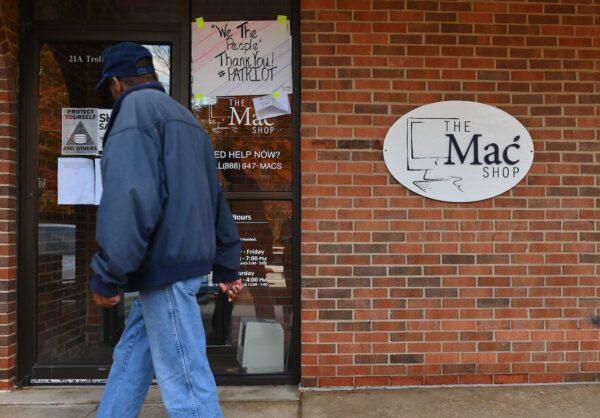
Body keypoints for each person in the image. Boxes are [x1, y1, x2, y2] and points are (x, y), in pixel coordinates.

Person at [89, 42, 243, 418]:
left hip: (166, 268)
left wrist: (108, 274)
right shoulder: (185, 118)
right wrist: (227, 263)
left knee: (186, 383)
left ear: (116, 83)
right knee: (133, 355)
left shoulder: (134, 113)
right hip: (180, 266)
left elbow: (130, 197)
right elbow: (215, 196)